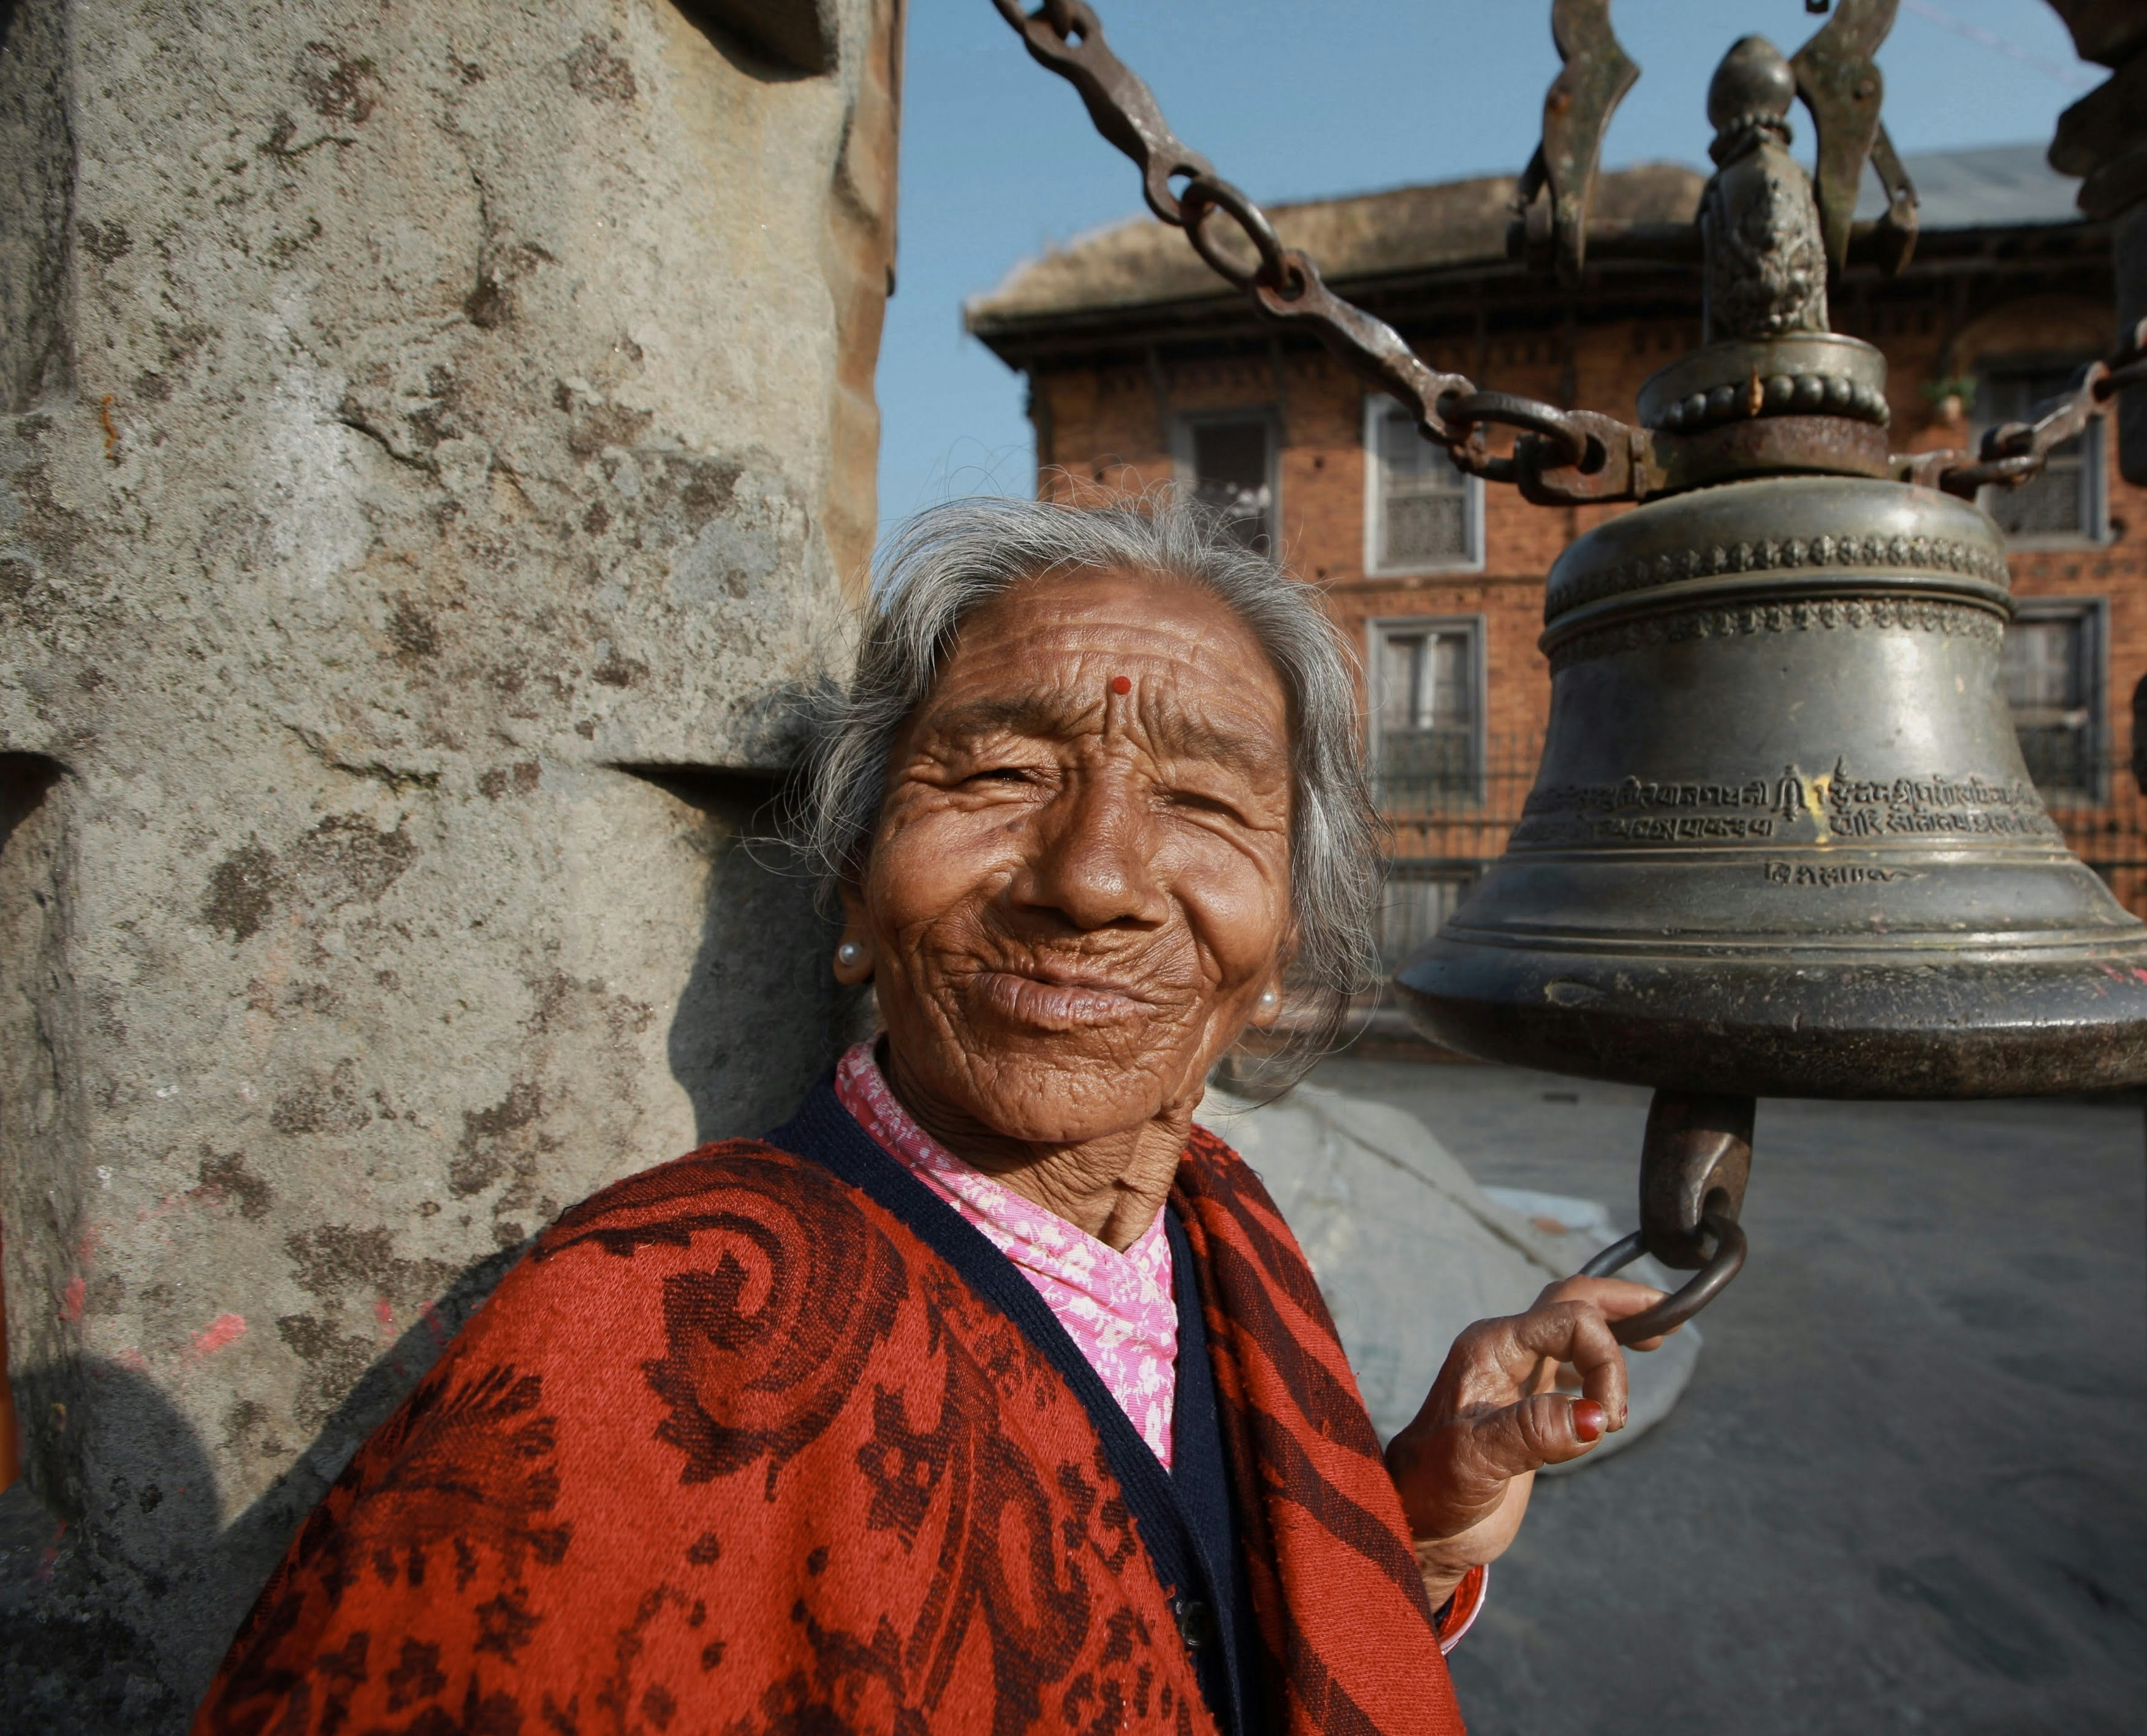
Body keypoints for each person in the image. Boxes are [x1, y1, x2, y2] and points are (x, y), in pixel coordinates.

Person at [196, 495, 1666, 1735]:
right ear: (855, 881)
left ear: (1284, 934)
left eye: (1205, 805)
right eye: (1003, 774)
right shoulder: (641, 1335)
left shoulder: (1222, 1225)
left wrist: (1409, 1517)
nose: (1090, 876)